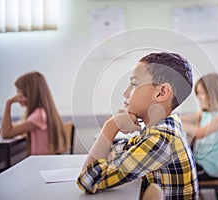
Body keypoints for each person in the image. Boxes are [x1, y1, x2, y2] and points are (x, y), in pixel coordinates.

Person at [76, 52, 199, 199]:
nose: (125, 93)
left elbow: (88, 180)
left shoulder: (161, 140)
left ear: (161, 93)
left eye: (134, 84)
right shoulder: (164, 127)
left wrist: (111, 125)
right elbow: (113, 155)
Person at [181, 73, 218, 181]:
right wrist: (171, 118)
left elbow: (200, 133)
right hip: (202, 163)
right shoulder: (206, 112)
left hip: (210, 168)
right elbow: (185, 118)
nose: (198, 97)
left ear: (213, 94)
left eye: (201, 93)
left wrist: (179, 124)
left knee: (173, 174)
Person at [1, 71, 67, 155]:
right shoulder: (41, 113)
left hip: (40, 162)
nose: (17, 96)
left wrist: (8, 103)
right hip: (42, 160)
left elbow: (6, 133)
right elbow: (12, 128)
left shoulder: (38, 115)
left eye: (19, 91)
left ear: (29, 92)